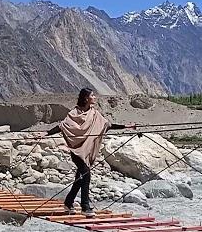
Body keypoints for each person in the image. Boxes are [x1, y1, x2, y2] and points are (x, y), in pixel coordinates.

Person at [45, 88, 136, 216]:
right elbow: (62, 127)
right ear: (86, 98)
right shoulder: (74, 113)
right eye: (92, 95)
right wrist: (46, 133)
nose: (95, 97)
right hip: (77, 150)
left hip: (87, 151)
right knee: (86, 176)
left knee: (80, 178)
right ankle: (85, 207)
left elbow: (107, 125)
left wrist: (126, 126)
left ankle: (68, 202)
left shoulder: (94, 114)